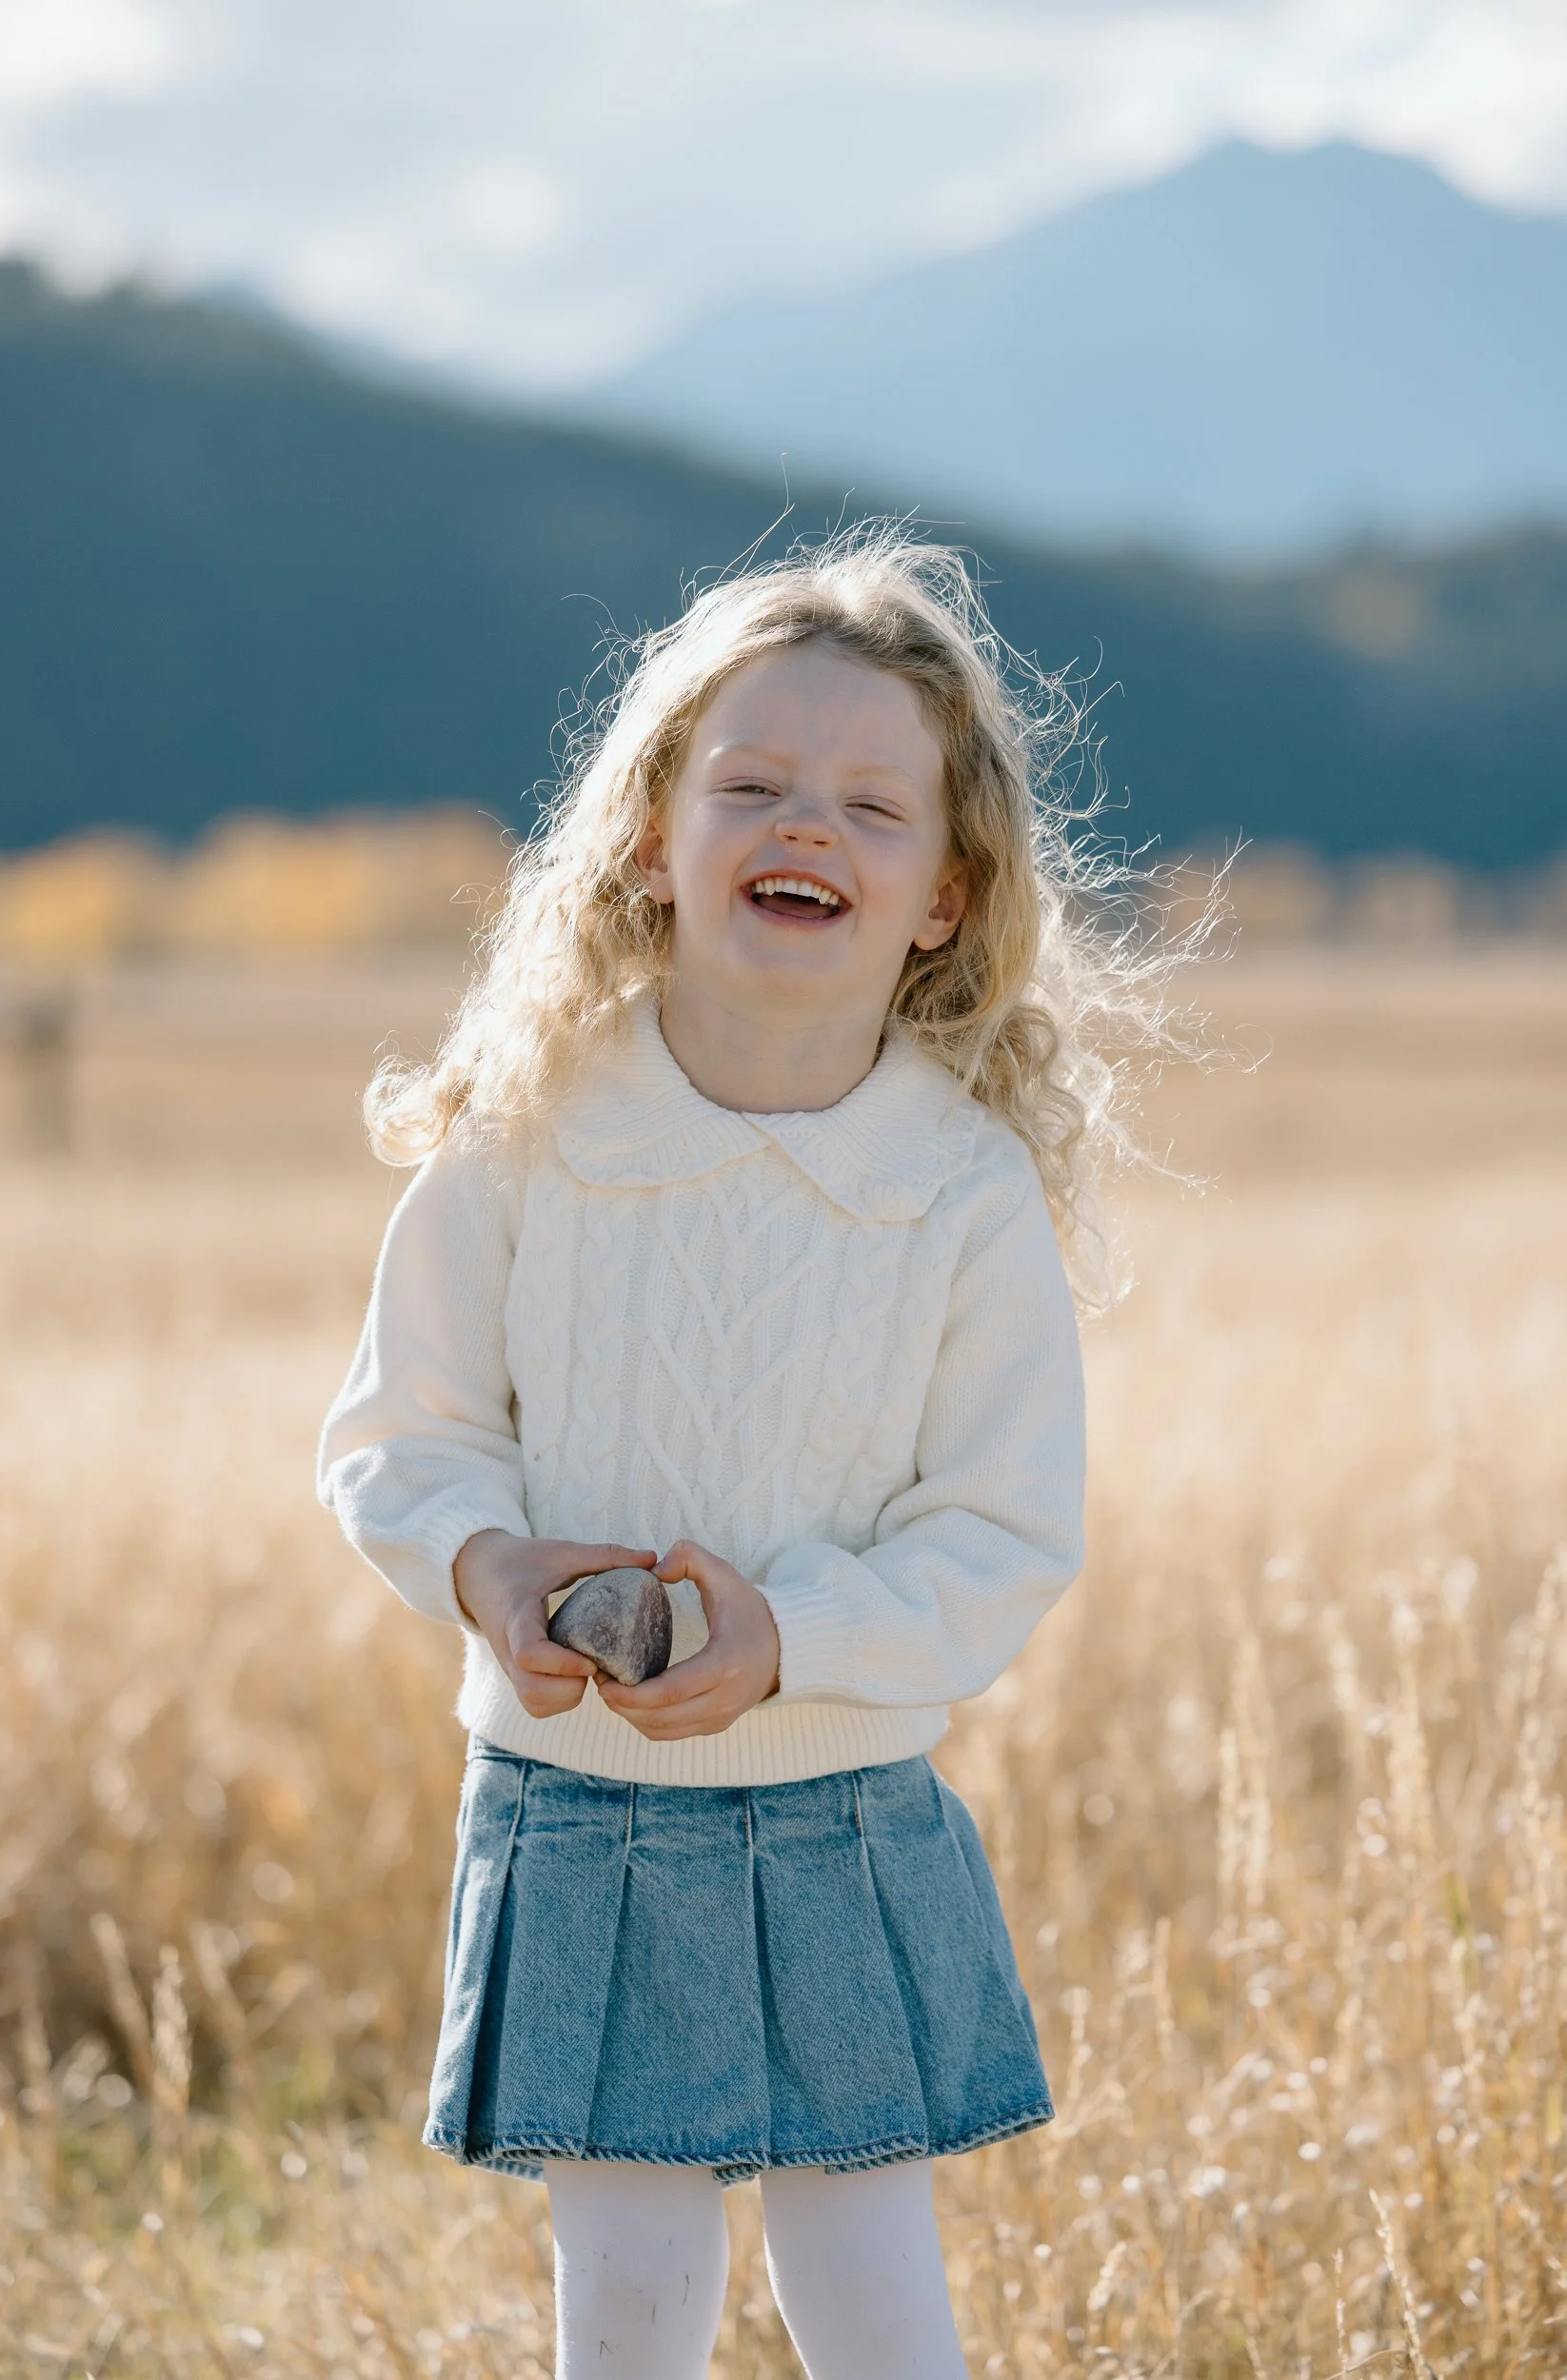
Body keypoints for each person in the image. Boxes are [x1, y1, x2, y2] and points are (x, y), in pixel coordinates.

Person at [318, 526, 1172, 2378]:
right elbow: (405, 1434)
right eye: (753, 782)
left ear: (945, 894)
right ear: (648, 833)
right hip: (575, 1793)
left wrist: (786, 1637)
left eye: (871, 803)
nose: (808, 824)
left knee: (869, 2288)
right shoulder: (527, 1128)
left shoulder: (957, 1190)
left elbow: (1002, 1527)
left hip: (841, 1799)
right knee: (625, 2303)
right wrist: (491, 1568)